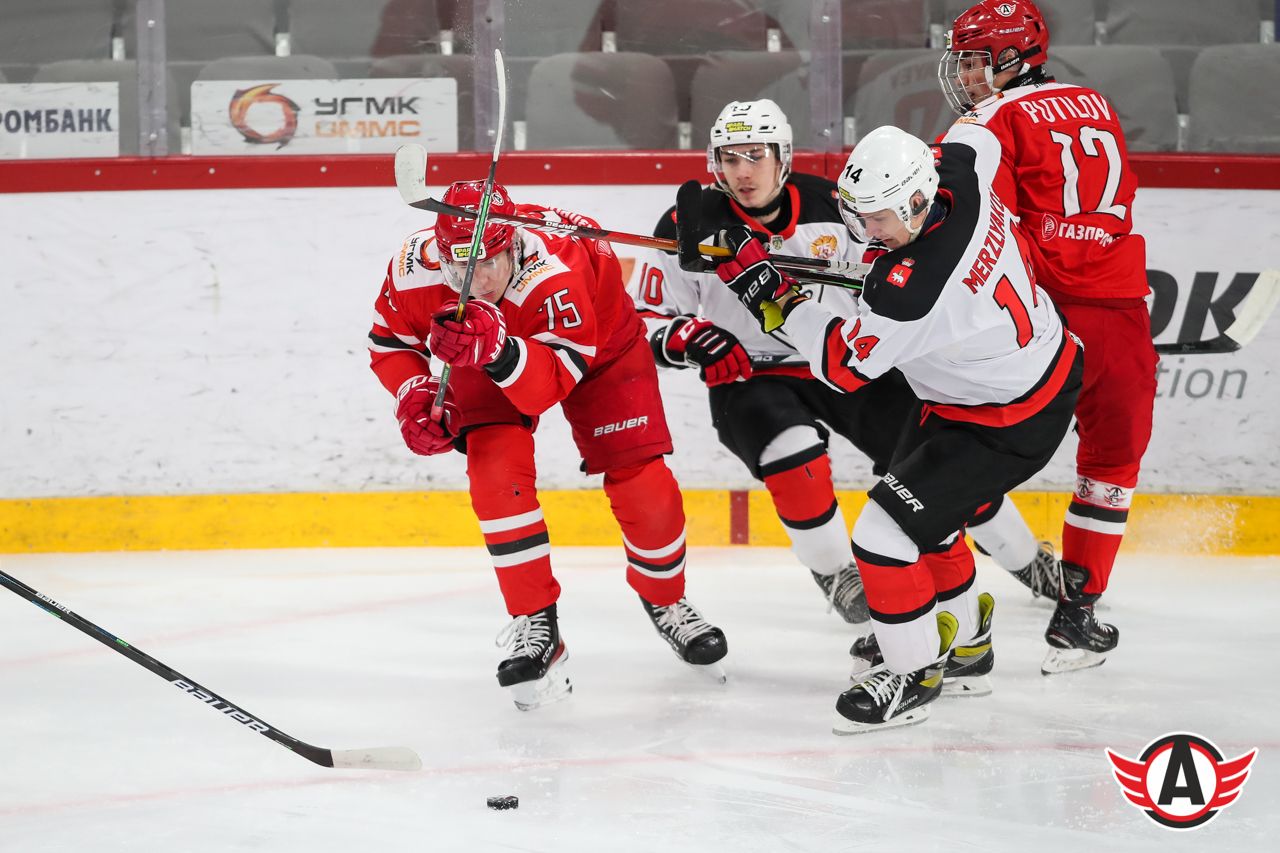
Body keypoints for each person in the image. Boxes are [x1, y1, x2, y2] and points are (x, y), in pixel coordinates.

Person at [711, 124, 1083, 732]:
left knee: (883, 535)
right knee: (930, 526)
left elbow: (841, 366)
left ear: (915, 201)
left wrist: (764, 289)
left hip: (1008, 418)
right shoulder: (958, 173)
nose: (866, 232)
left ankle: (913, 674)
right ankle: (968, 647)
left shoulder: (914, 293)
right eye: (859, 216)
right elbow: (977, 137)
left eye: (878, 219)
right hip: (991, 384)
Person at [367, 180, 728, 711]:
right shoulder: (412, 269)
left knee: (644, 483)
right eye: (460, 268)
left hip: (600, 350)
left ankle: (665, 598)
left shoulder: (556, 271)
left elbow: (549, 386)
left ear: (513, 244)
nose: (476, 282)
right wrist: (415, 391)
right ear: (439, 254)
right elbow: (389, 344)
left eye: (489, 263)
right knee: (495, 472)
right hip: (484, 349)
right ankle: (536, 623)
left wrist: (498, 350)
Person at [626, 98, 922, 625]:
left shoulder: (836, 207)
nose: (742, 172)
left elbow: (886, 281)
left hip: (840, 358)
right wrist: (687, 337)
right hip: (749, 374)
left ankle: (1025, 559)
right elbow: (646, 321)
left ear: (782, 156)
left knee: (929, 453)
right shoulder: (688, 223)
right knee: (794, 455)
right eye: (730, 158)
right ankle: (837, 573)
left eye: (755, 156)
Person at [938, 0, 1153, 674]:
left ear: (1010, 57)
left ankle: (933, 607)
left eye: (974, 60)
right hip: (1118, 307)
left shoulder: (986, 122)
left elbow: (974, 225)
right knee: (1112, 461)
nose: (965, 75)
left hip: (1036, 316)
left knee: (961, 448)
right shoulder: (1096, 102)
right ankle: (1078, 611)